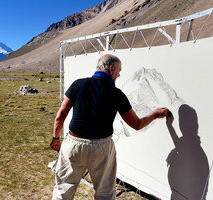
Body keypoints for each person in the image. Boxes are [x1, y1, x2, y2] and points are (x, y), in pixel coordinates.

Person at [50, 54, 168, 200]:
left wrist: (56, 138)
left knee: (63, 190)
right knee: (105, 193)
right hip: (102, 147)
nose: (119, 74)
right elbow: (136, 124)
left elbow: (60, 116)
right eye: (119, 70)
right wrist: (155, 115)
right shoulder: (116, 94)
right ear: (111, 68)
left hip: (73, 144)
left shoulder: (78, 84)